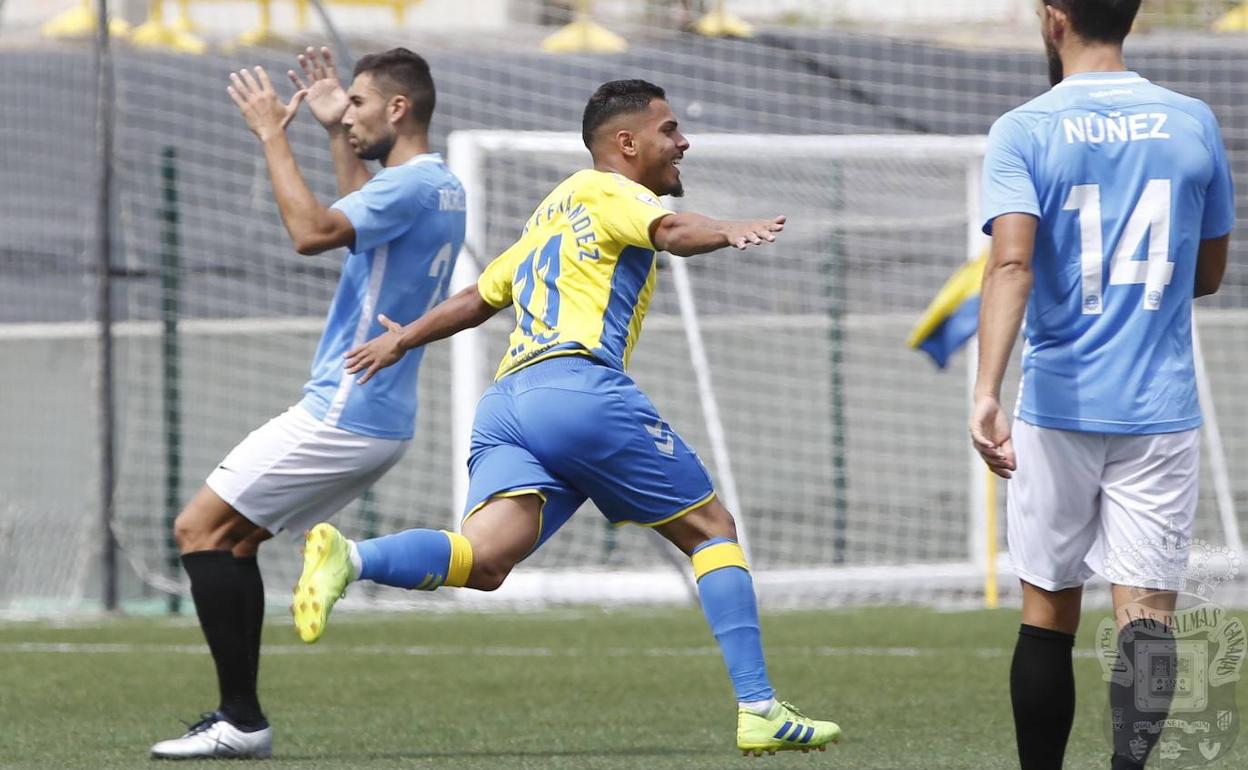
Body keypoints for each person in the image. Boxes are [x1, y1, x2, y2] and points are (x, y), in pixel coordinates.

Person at [292, 79, 842, 757]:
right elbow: (670, 230)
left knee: (486, 561)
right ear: (627, 143)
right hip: (576, 389)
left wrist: (403, 337)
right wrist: (727, 229)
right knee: (713, 531)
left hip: (508, 405)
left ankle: (350, 557)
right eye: (669, 130)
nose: (683, 142)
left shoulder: (552, 210)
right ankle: (759, 708)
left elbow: (481, 294)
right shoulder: (614, 192)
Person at [149, 47, 465, 760]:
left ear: (398, 109)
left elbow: (312, 233)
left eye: (357, 103)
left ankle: (241, 720)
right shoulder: (436, 186)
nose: (346, 111)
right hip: (372, 415)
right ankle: (241, 719)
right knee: (231, 540)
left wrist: (272, 134)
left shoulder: (411, 187)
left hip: (344, 411)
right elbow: (362, 222)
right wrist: (334, 134)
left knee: (198, 529)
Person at [969, 2, 1234, 768]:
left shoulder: (1024, 128)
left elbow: (1012, 264)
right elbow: (1207, 275)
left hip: (1057, 404)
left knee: (1047, 610)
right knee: (1147, 616)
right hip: (1160, 408)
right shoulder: (1192, 121)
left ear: (1054, 19)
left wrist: (986, 391)